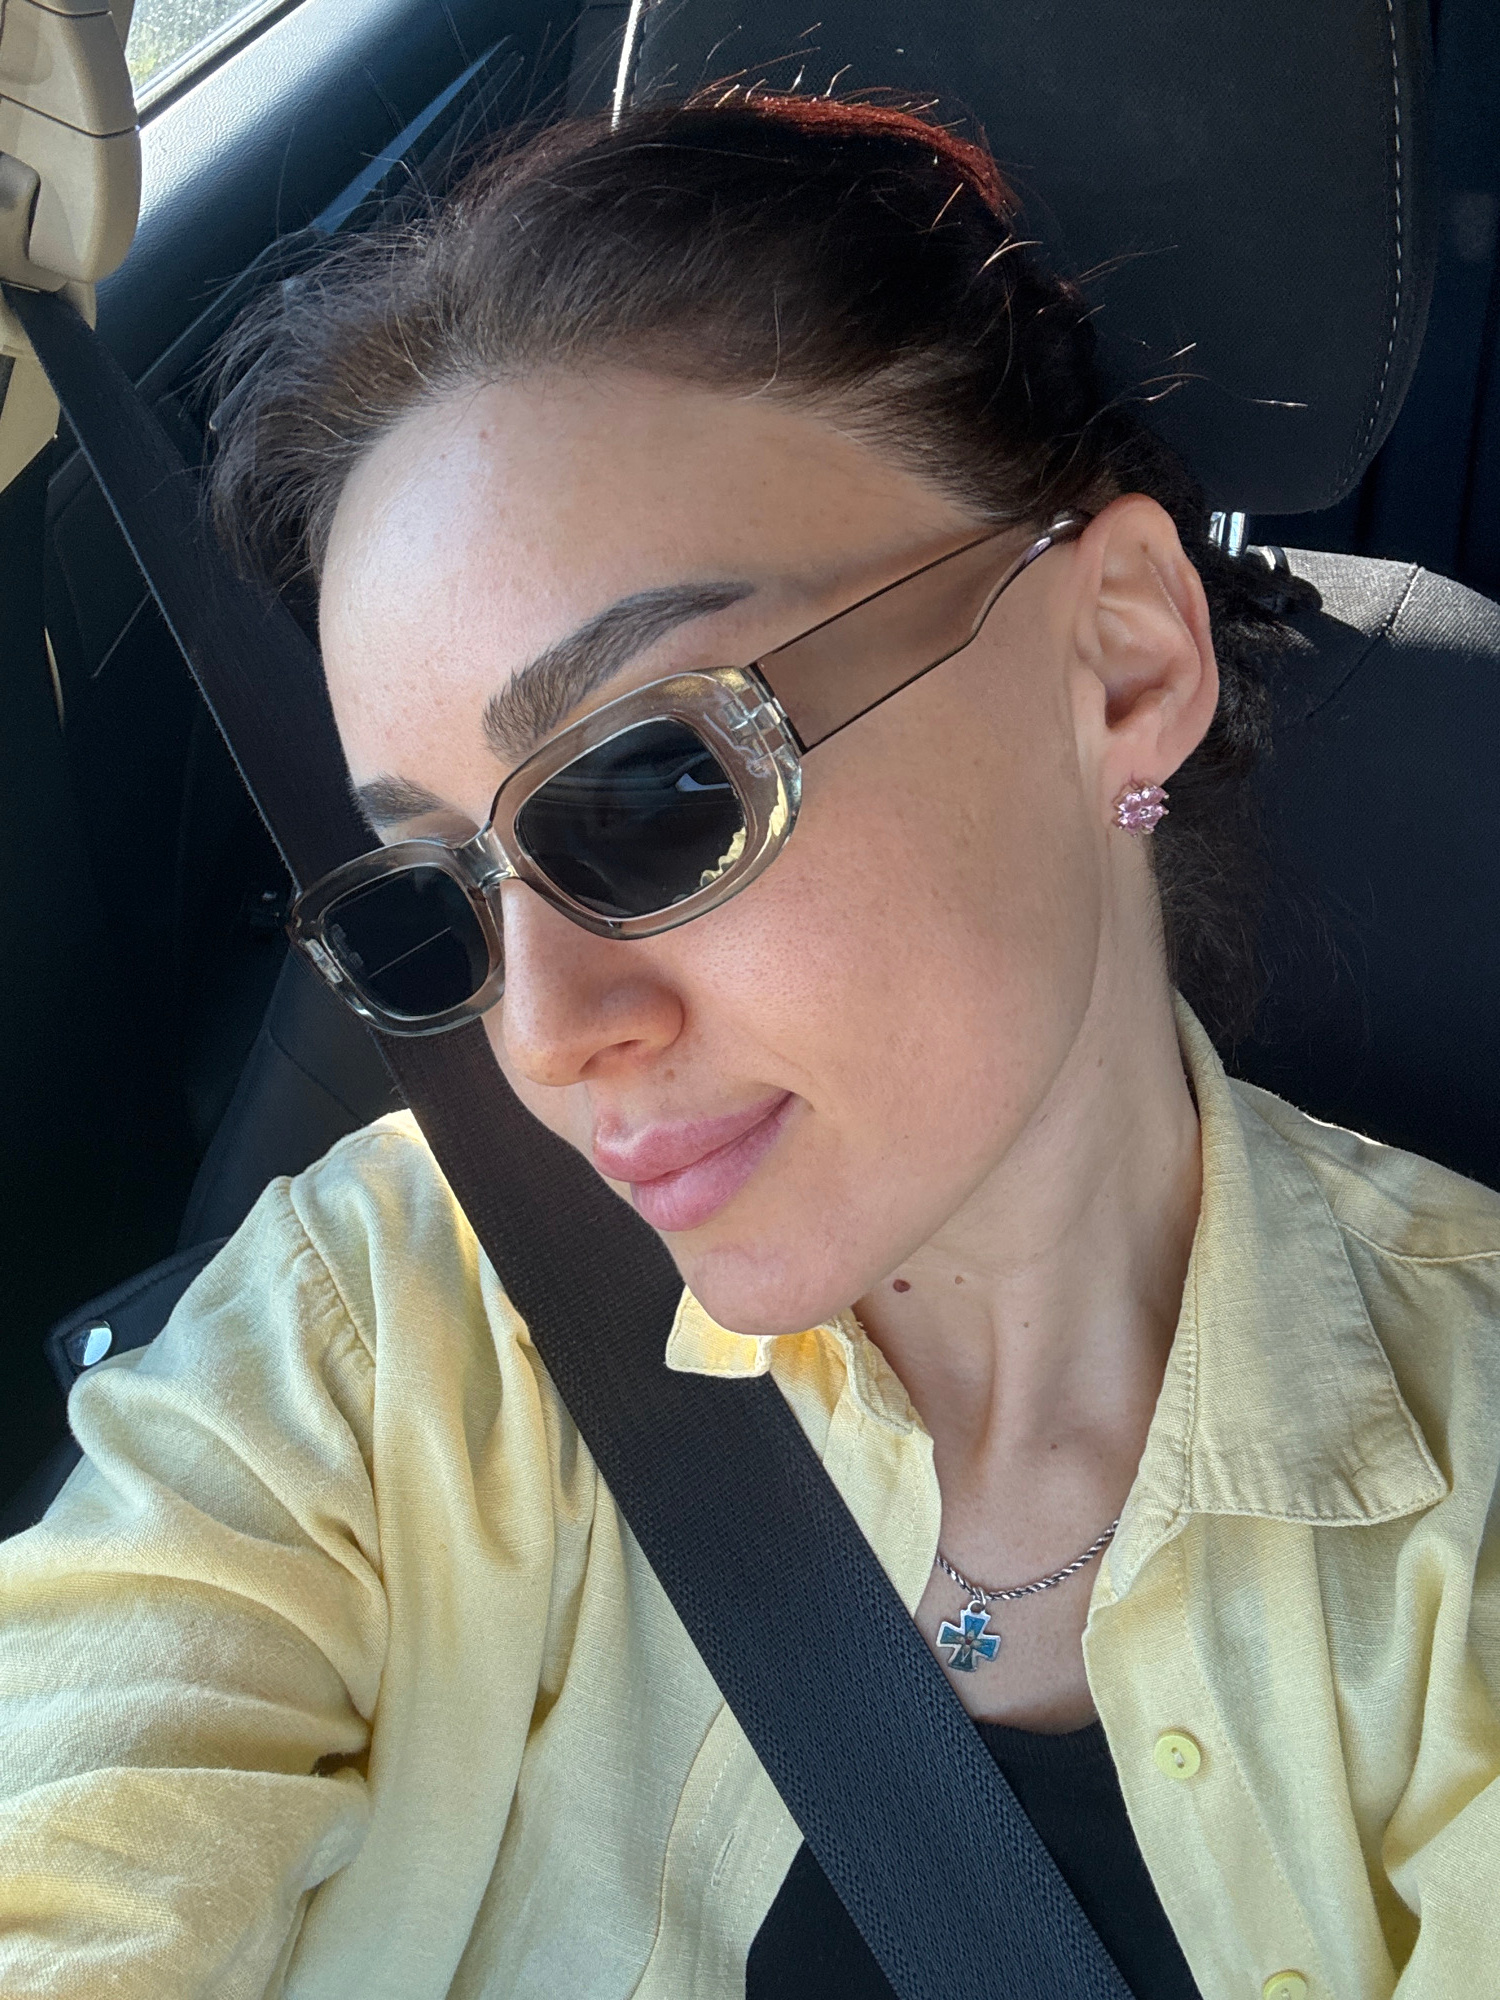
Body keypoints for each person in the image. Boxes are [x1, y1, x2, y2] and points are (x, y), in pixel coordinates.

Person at [2, 92, 1497, 2000]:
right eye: (433, 904)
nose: (548, 1036)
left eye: (649, 789)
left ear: (1121, 658)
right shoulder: (374, 1335)